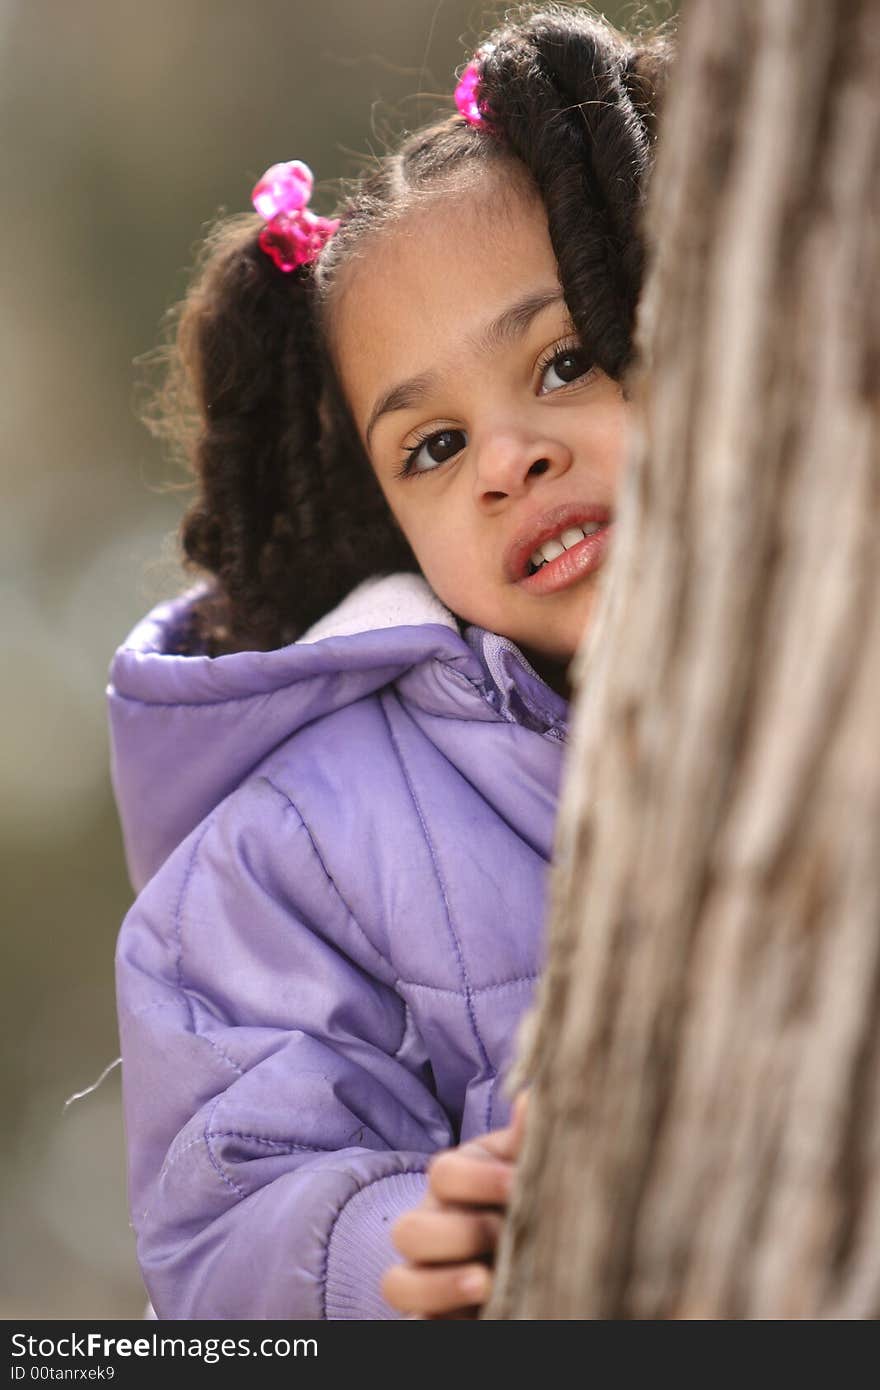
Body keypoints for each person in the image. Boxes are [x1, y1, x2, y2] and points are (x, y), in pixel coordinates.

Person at [109, 4, 673, 1320]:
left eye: (568, 362)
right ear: (383, 516)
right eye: (431, 446)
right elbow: (223, 1217)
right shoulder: (303, 835)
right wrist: (391, 1247)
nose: (507, 458)